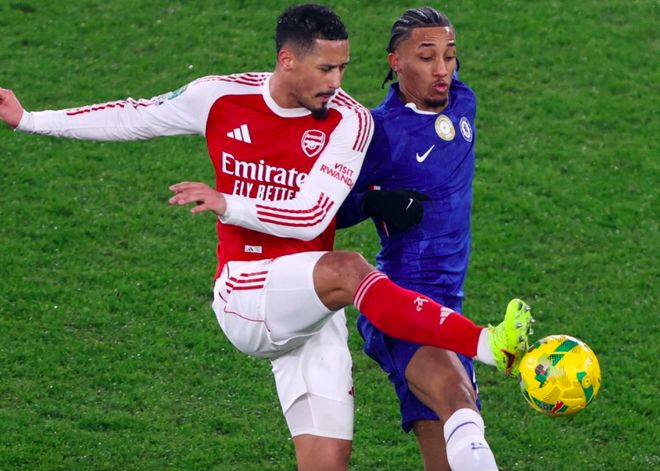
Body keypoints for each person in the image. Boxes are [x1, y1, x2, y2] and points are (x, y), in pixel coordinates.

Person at [0, 4, 532, 470]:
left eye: (343, 68)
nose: (337, 83)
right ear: (287, 61)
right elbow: (135, 116)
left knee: (328, 461)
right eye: (326, 69)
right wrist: (30, 119)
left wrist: (229, 203)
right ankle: (486, 344)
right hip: (248, 291)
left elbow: (312, 216)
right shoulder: (220, 97)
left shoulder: (351, 121)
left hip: (311, 309)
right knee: (350, 267)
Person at [337, 7, 532, 471]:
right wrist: (374, 203)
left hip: (451, 304)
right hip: (402, 301)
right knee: (459, 402)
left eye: (449, 55)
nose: (441, 69)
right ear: (395, 63)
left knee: (445, 452)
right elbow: (324, 211)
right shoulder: (378, 132)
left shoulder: (462, 101)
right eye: (426, 58)